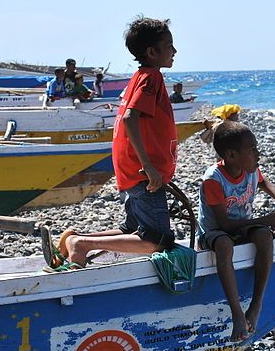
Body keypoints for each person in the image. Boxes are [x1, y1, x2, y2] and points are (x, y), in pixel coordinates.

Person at [45, 17, 179, 272]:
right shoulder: (152, 77)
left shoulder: (139, 76)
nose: (174, 51)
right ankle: (81, 244)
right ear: (152, 52)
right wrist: (149, 166)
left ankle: (75, 239)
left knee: (131, 229)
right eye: (169, 45)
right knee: (157, 240)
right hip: (143, 174)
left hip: (130, 169)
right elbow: (130, 118)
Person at [197, 121, 275, 341]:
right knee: (224, 245)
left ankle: (256, 303)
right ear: (231, 156)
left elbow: (263, 181)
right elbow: (224, 225)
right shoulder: (213, 179)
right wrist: (267, 219)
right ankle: (237, 314)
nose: (258, 154)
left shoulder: (250, 169)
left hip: (243, 227)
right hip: (215, 232)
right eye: (252, 150)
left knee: (264, 235)